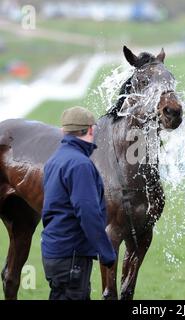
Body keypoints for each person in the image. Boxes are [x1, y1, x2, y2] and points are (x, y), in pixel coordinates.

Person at [41, 106, 117, 300]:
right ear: (90, 130)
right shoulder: (80, 164)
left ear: (64, 131)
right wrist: (106, 252)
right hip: (72, 256)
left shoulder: (55, 159)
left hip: (54, 252)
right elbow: (88, 213)